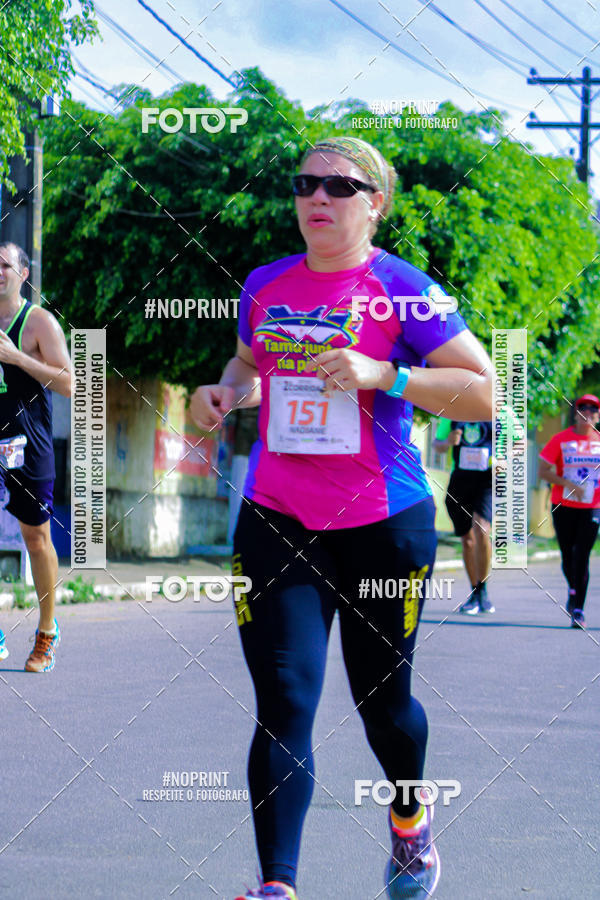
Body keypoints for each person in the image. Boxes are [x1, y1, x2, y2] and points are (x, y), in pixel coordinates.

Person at [191, 136, 494, 900]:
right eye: (305, 183)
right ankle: (276, 886)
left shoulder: (405, 289)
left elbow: (485, 392)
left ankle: (407, 816)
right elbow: (250, 366)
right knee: (286, 700)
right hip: (277, 517)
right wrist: (224, 393)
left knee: (382, 705)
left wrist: (386, 372)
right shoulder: (262, 284)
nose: (318, 198)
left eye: (340, 186)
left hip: (384, 527)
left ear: (375, 203)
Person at [0, 242, 72, 670]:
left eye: (4, 265)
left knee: (36, 538)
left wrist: (16, 357)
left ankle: (47, 630)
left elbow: (69, 383)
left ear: (23, 274)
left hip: (29, 446)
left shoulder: (39, 322)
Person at [538, 394, 600, 629]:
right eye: (583, 408)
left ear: (598, 415)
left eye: (593, 410)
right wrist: (567, 484)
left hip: (592, 507)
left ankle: (578, 609)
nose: (588, 413)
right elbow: (543, 471)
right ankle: (573, 590)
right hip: (563, 505)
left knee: (581, 555)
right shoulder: (560, 440)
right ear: (575, 413)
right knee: (567, 554)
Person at [433, 419, 494, 614]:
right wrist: (448, 442)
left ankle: (482, 591)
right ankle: (475, 591)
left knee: (482, 528)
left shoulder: (497, 409)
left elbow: (521, 441)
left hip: (488, 479)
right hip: (460, 480)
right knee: (467, 540)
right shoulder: (453, 412)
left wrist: (506, 457)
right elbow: (437, 445)